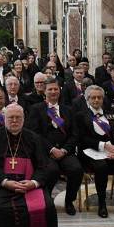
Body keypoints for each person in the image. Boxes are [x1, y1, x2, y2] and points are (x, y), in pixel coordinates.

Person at [0, 104, 59, 227]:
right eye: (11, 117)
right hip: (2, 184)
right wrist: (5, 182)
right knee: (0, 208)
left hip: (28, 184)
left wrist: (33, 183)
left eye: (18, 117)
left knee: (47, 206)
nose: (14, 120)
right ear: (4, 119)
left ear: (24, 119)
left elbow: (43, 165)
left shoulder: (33, 137)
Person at [26, 78, 83, 215]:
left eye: (55, 89)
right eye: (50, 89)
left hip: (65, 151)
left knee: (76, 169)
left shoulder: (68, 110)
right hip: (45, 152)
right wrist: (51, 149)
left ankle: (69, 201)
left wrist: (64, 150)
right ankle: (47, 200)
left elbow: (74, 134)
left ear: (60, 90)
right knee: (52, 171)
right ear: (44, 91)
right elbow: (35, 134)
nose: (53, 92)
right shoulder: (36, 109)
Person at [72, 85, 114, 218]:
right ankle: (102, 203)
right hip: (90, 152)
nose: (96, 100)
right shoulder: (81, 116)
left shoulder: (112, 113)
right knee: (101, 167)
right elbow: (81, 139)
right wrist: (103, 146)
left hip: (112, 151)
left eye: (99, 98)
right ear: (88, 99)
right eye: (93, 98)